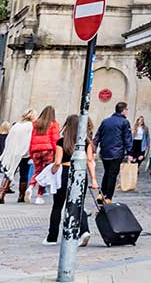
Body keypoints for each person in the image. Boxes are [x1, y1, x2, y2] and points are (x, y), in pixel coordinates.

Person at [45, 114, 91, 248]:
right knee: (78, 204)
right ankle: (84, 231)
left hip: (65, 172)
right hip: (81, 173)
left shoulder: (61, 141)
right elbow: (89, 161)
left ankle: (52, 237)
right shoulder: (85, 141)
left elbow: (57, 161)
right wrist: (93, 179)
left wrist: (52, 170)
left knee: (57, 205)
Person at [95, 101, 131, 203]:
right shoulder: (124, 122)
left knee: (106, 173)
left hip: (105, 152)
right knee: (112, 175)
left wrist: (95, 147)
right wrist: (130, 152)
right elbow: (127, 138)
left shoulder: (105, 121)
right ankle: (108, 197)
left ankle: (101, 194)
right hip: (116, 152)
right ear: (123, 110)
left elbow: (98, 135)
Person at [0, 110, 34, 204]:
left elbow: (9, 139)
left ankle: (2, 193)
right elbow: (31, 140)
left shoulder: (16, 125)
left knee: (10, 172)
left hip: (13, 152)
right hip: (25, 153)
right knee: (24, 175)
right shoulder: (31, 126)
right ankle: (21, 196)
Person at [28, 106, 60, 204]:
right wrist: (56, 152)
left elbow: (32, 139)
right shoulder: (53, 124)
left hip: (36, 151)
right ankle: (39, 196)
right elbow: (55, 139)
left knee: (37, 171)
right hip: (48, 150)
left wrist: (31, 152)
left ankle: (30, 187)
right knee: (45, 173)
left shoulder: (36, 124)